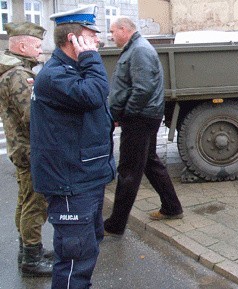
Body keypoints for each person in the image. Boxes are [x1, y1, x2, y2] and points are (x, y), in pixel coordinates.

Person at [30, 5, 115, 288]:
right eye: (91, 36)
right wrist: (90, 58)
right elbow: (93, 95)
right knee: (74, 262)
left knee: (87, 250)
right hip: (70, 182)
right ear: (74, 40)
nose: (98, 41)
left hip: (84, 177)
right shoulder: (56, 75)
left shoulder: (68, 71)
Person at [103, 17, 183, 236]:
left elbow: (143, 89)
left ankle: (116, 224)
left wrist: (125, 112)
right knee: (149, 162)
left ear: (124, 29)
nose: (110, 36)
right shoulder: (135, 48)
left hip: (139, 118)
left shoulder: (139, 50)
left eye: (112, 31)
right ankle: (172, 207)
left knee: (128, 170)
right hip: (142, 116)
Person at [0, 21, 53, 277]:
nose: (40, 50)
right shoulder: (20, 76)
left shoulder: (12, 71)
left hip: (20, 148)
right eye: (37, 45)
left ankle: (28, 251)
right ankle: (32, 257)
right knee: (35, 203)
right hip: (30, 150)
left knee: (24, 200)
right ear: (22, 45)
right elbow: (34, 117)